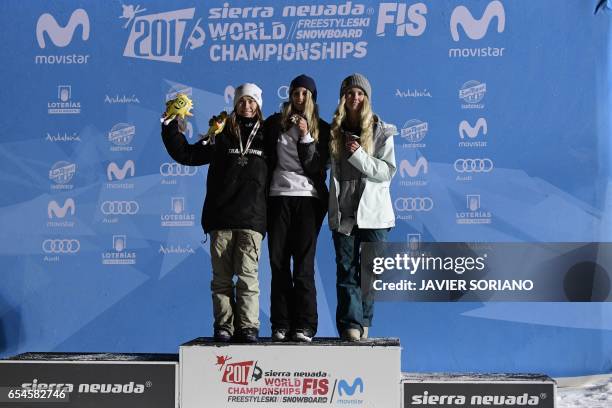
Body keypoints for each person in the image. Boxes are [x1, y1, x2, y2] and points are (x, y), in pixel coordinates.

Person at [161, 84, 268, 343]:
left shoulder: (268, 136)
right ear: (235, 104)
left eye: (252, 101)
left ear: (259, 105)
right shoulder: (220, 133)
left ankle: (248, 327)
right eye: (242, 101)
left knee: (247, 277)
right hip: (221, 217)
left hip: (251, 219)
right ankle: (224, 326)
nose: (247, 106)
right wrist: (170, 126)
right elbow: (187, 154)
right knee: (221, 279)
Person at [328, 73, 397, 342]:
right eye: (349, 93)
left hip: (375, 215)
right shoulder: (334, 131)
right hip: (345, 212)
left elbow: (387, 171)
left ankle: (364, 323)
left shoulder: (381, 130)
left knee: (369, 275)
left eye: (360, 93)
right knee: (345, 270)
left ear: (367, 98)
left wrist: (358, 155)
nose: (355, 98)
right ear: (343, 97)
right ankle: (350, 326)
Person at [264, 75, 330, 342]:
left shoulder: (322, 129)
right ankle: (280, 323)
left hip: (307, 199)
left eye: (305, 93)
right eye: (296, 93)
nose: (300, 98)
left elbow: (315, 168)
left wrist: (305, 136)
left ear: (312, 97)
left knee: (303, 266)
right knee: (278, 264)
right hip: (277, 197)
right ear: (290, 95)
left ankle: (305, 325)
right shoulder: (273, 124)